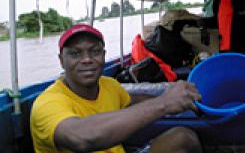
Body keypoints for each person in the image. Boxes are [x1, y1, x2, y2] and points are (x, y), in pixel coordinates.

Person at [30, 23, 202, 153]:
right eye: (75, 54)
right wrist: (164, 103)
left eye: (95, 52)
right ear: (61, 60)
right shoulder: (47, 103)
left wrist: (180, 101)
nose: (87, 59)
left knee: (184, 137)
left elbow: (133, 101)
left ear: (104, 56)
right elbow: (81, 137)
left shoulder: (109, 85)